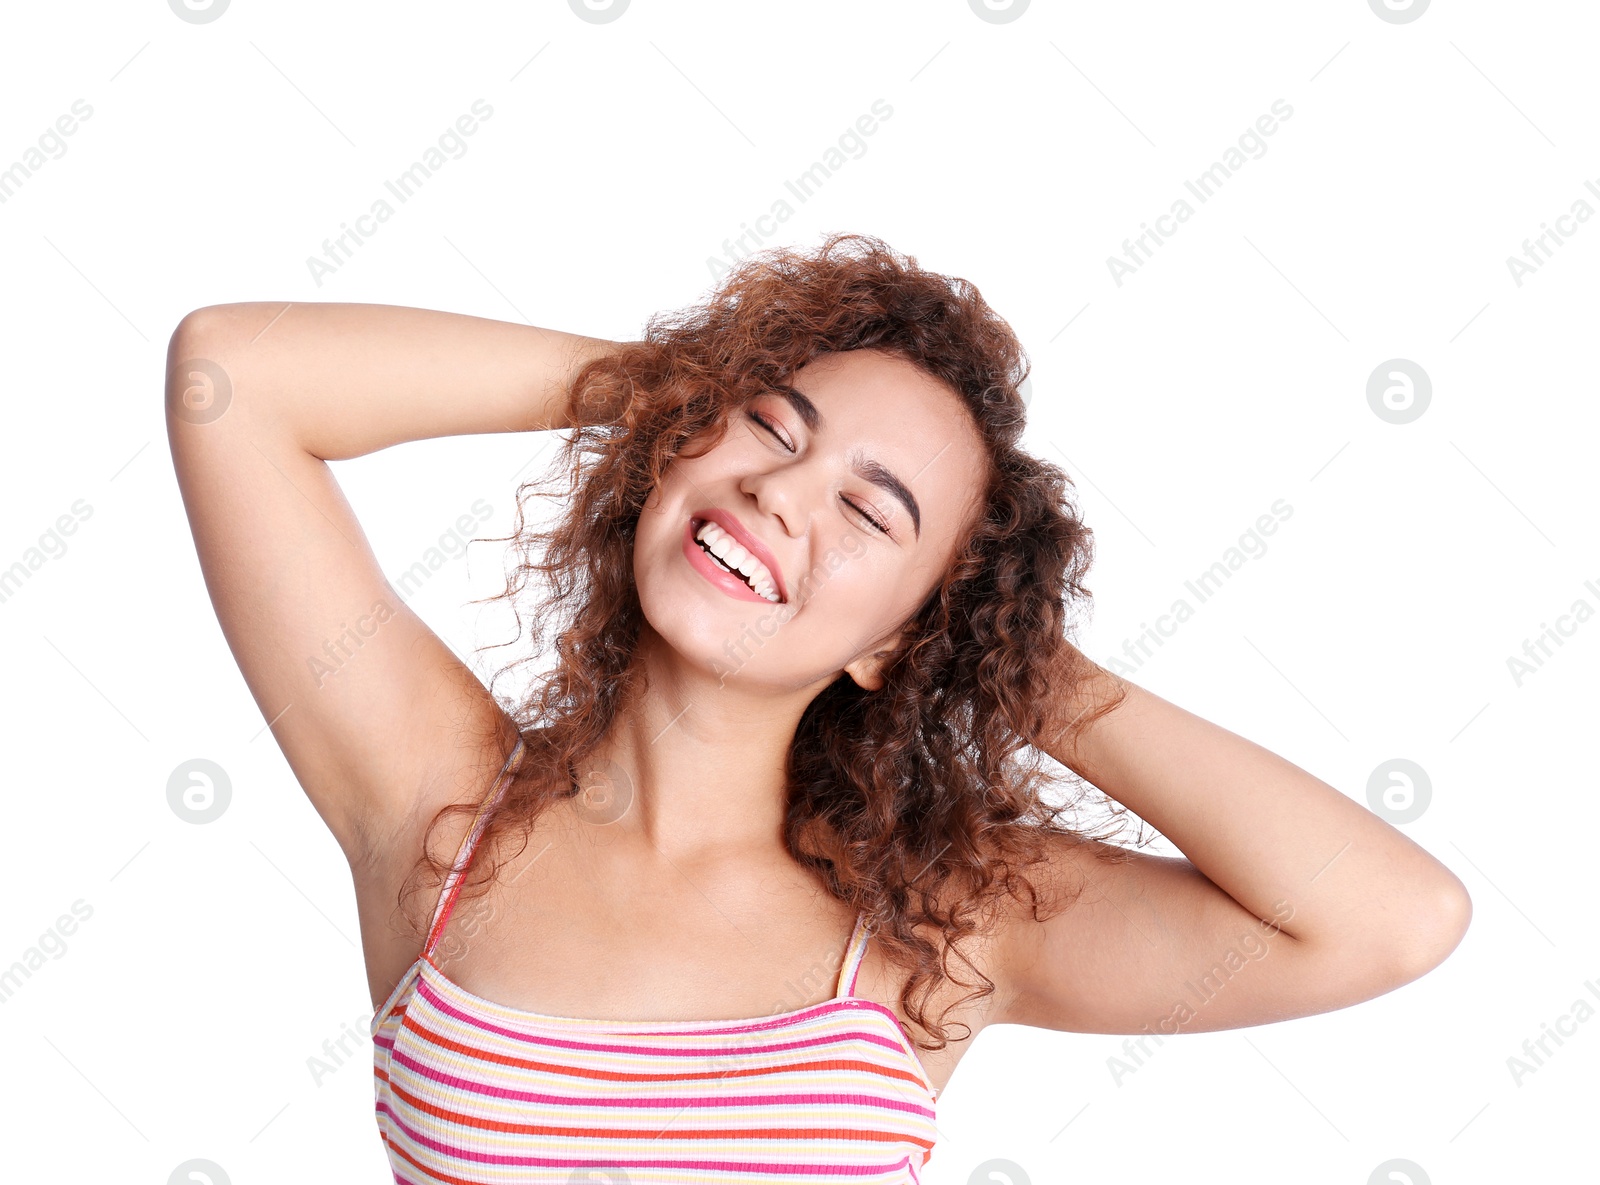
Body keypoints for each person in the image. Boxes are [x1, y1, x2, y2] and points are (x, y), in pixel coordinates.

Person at [165, 233, 1471, 1184]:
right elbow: (231, 374)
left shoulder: (937, 921)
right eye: (768, 429)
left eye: (867, 509)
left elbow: (1391, 918)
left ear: (900, 634)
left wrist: (1007, 660)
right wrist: (669, 393)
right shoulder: (436, 804)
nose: (783, 494)